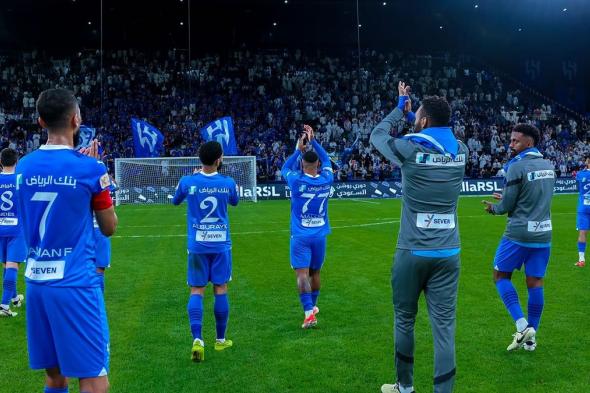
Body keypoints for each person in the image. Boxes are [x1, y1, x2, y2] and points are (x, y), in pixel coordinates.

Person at [16, 88, 118, 393]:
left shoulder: (23, 166)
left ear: (40, 122)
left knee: (55, 378)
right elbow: (109, 227)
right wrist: (100, 180)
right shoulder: (91, 169)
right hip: (75, 284)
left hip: (36, 284)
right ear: (77, 119)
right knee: (95, 381)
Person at [371, 82, 468, 393]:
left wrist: (400, 109)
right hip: (448, 252)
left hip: (412, 251)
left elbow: (377, 135)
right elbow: (443, 149)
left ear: (423, 121)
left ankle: (405, 387)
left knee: (404, 320)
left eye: (418, 117)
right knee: (444, 330)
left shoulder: (410, 149)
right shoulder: (462, 152)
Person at [483, 123, 555, 352]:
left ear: (529, 143)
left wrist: (495, 207)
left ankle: (522, 325)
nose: (511, 144)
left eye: (516, 141)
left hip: (519, 233)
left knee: (499, 275)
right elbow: (532, 196)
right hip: (543, 232)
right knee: (535, 282)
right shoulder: (548, 165)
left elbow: (506, 207)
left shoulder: (516, 166)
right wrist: (509, 196)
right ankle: (532, 339)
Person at [172, 141, 239, 362]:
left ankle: (198, 340)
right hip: (221, 245)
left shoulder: (188, 181)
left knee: (197, 290)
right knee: (220, 288)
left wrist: (193, 183)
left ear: (199, 159)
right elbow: (235, 202)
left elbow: (175, 201)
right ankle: (220, 340)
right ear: (219, 159)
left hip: (198, 245)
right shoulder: (228, 182)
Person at [281, 125, 333, 329]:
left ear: (302, 165)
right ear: (318, 164)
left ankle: (308, 313)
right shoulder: (327, 178)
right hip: (320, 234)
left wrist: (298, 150)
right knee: (316, 273)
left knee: (302, 275)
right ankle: (313, 308)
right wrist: (314, 141)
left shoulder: (296, 180)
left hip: (301, 235)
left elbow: (285, 168)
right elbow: (327, 159)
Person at [0, 147, 26, 317]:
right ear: (17, 161)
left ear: (1, 162)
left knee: (7, 265)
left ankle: (15, 298)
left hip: (0, 228)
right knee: (13, 265)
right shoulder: (21, 179)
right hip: (17, 229)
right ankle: (3, 305)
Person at [574, 156, 590, 267]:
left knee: (582, 232)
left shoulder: (581, 174)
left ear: (588, 162)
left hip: (584, 206)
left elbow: (578, 183)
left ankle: (581, 259)